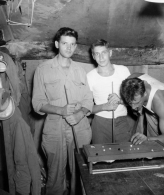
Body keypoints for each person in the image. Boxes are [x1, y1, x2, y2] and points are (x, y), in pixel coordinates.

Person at [32, 27, 93, 195]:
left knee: (80, 172)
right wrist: (61, 110)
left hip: (79, 128)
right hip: (54, 128)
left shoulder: (81, 71)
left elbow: (89, 100)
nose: (69, 48)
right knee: (55, 174)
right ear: (57, 44)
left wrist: (80, 114)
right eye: (65, 43)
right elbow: (37, 103)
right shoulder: (42, 70)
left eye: (73, 44)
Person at [120, 73, 164, 162]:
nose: (132, 107)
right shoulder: (131, 81)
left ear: (144, 94)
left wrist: (147, 139)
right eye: (130, 103)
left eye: (136, 103)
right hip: (151, 109)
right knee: (151, 149)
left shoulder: (160, 102)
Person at [87, 39, 132, 144]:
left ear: (110, 53)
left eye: (104, 53)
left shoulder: (123, 71)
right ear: (93, 56)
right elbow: (87, 108)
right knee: (101, 158)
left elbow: (133, 100)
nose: (101, 57)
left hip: (122, 121)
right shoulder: (89, 77)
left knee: (123, 157)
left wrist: (120, 100)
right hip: (100, 123)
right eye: (97, 54)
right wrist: (104, 107)